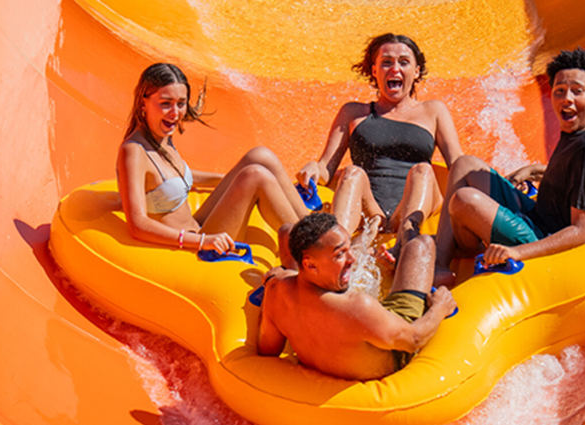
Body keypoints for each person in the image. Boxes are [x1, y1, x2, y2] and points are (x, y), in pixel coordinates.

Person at [432, 48, 585, 286]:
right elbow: (572, 176)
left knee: (464, 200)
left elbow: (582, 232)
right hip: (538, 216)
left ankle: (457, 247)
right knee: (465, 164)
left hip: (543, 236)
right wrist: (533, 170)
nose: (567, 99)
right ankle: (441, 259)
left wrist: (519, 253)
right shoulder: (577, 134)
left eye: (577, 91)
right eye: (560, 91)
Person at [117, 63, 309, 255]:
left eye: (181, 104)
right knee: (255, 175)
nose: (175, 114)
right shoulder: (133, 152)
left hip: (199, 227)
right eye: (166, 104)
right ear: (143, 103)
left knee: (260, 156)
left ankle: (314, 229)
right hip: (196, 247)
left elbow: (170, 176)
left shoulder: (161, 136)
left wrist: (230, 181)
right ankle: (310, 250)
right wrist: (202, 241)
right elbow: (138, 225)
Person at [297, 33, 463, 254]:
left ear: (416, 72)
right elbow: (326, 168)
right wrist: (312, 167)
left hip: (414, 200)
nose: (395, 68)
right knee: (352, 172)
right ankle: (338, 251)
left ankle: (405, 245)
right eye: (386, 62)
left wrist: (496, 187)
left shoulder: (433, 111)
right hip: (370, 208)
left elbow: (459, 164)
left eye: (404, 62)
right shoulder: (354, 113)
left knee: (423, 170)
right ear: (374, 71)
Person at [258, 213, 457, 381]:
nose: (352, 259)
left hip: (366, 333)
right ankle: (414, 248)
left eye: (349, 248)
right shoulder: (357, 308)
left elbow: (268, 352)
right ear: (310, 265)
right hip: (391, 355)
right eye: (340, 254)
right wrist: (439, 308)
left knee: (287, 230)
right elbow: (413, 339)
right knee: (421, 245)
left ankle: (393, 260)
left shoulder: (276, 289)